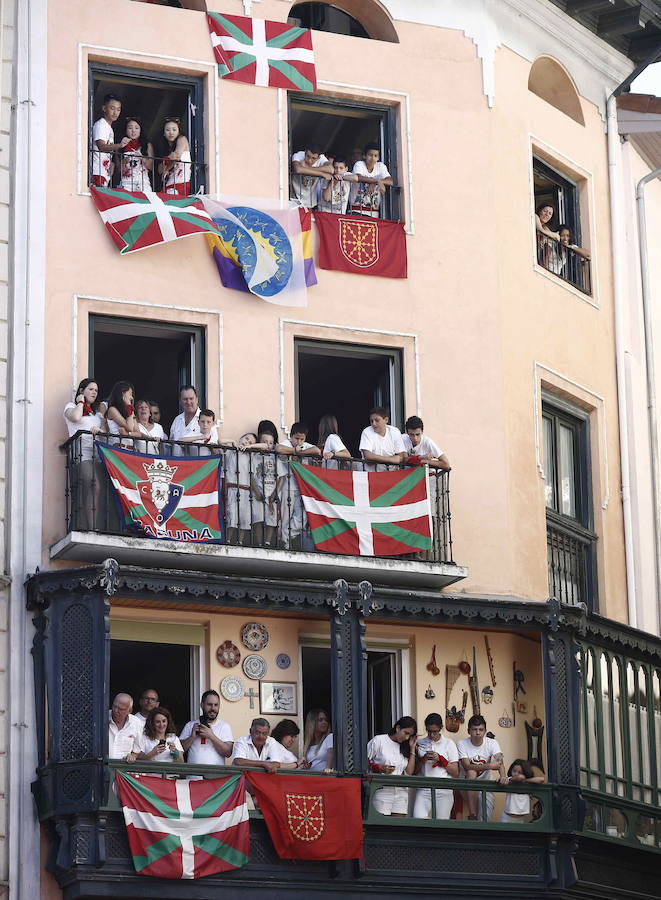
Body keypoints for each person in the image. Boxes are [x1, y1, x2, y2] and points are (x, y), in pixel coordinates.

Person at [63, 378, 107, 530]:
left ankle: (96, 525)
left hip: (98, 455)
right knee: (94, 486)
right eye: (90, 389)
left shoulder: (96, 415)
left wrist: (100, 431)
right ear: (82, 391)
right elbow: (75, 417)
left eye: (96, 390)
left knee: (97, 490)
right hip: (82, 454)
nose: (94, 392)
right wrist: (80, 402)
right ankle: (92, 527)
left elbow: (106, 435)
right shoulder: (71, 407)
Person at [276, 423, 321, 548]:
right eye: (296, 438)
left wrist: (301, 452)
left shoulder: (305, 446)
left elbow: (316, 450)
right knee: (286, 515)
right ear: (291, 436)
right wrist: (295, 451)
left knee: (302, 516)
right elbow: (279, 449)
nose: (299, 441)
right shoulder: (286, 444)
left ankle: (287, 535)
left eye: (302, 439)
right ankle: (285, 543)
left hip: (302, 487)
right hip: (287, 485)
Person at [457, 714, 508, 821]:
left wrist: (503, 776)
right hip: (466, 784)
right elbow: (467, 766)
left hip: (485, 784)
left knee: (486, 816)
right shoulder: (462, 743)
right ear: (468, 731)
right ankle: (472, 815)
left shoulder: (492, 743)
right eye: (474, 729)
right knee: (471, 772)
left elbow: (500, 761)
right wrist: (489, 766)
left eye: (481, 729)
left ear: (485, 731)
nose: (478, 732)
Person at [412, 713, 459, 819]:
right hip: (424, 788)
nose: (432, 735)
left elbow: (455, 772)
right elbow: (414, 771)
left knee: (441, 823)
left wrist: (440, 759)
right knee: (418, 818)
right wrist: (423, 760)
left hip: (444, 788)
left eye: (435, 731)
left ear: (441, 728)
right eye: (429, 731)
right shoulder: (420, 743)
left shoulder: (449, 743)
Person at [367, 716, 417, 816]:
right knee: (382, 825)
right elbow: (364, 762)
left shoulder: (405, 746)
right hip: (381, 790)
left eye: (410, 735)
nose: (407, 738)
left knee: (398, 827)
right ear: (398, 728)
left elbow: (409, 772)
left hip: (401, 791)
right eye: (406, 733)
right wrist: (380, 768)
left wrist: (412, 749)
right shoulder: (379, 740)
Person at [180, 690, 233, 765]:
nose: (213, 708)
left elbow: (228, 753)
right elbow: (179, 750)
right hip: (193, 775)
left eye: (216, 705)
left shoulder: (224, 726)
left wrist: (211, 736)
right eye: (209, 704)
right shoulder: (190, 725)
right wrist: (192, 737)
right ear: (202, 705)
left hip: (216, 775)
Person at [226, 432, 258, 546]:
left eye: (250, 442)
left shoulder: (250, 455)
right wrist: (233, 442)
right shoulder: (231, 451)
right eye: (246, 439)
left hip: (245, 489)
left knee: (244, 517)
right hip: (233, 488)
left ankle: (240, 541)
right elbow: (220, 442)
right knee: (232, 516)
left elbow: (264, 446)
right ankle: (228, 540)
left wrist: (249, 447)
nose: (247, 442)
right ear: (241, 437)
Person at [91, 93, 129, 187]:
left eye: (118, 109)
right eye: (112, 108)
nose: (115, 112)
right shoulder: (102, 125)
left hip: (103, 173)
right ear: (104, 108)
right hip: (97, 171)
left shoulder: (108, 127)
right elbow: (101, 146)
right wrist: (120, 145)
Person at [251, 430, 279, 548]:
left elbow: (280, 477)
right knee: (257, 517)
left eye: (271, 442)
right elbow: (251, 475)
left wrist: (275, 493)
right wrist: (256, 491)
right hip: (258, 491)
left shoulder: (275, 458)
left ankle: (267, 541)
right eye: (265, 442)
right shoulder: (254, 457)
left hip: (271, 490)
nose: (268, 445)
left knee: (271, 518)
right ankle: (259, 542)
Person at [350, 142, 393, 218]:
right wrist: (377, 181)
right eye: (370, 155)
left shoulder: (381, 166)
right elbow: (358, 177)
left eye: (375, 156)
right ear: (364, 156)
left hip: (374, 213)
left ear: (378, 157)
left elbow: (390, 181)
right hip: (356, 211)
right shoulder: (359, 164)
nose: (373, 158)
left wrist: (378, 182)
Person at [500, 759, 545, 823]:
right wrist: (524, 779)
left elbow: (541, 780)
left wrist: (526, 781)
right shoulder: (509, 780)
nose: (516, 774)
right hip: (507, 818)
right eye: (514, 771)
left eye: (519, 772)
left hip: (520, 820)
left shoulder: (527, 783)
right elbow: (520, 777)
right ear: (511, 770)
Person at [290, 144, 334, 209]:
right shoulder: (298, 155)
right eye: (308, 156)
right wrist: (321, 174)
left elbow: (331, 169)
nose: (310, 160)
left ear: (319, 158)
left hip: (310, 203)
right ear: (305, 153)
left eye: (313, 158)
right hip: (295, 200)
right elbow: (298, 169)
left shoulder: (322, 158)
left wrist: (305, 168)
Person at [117, 116, 153, 192]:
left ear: (140, 130)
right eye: (130, 128)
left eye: (136, 128)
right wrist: (123, 162)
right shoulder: (120, 146)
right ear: (126, 130)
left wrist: (141, 158)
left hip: (143, 182)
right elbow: (117, 170)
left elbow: (151, 167)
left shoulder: (147, 145)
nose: (133, 131)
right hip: (126, 183)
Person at [157, 117, 191, 196]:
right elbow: (159, 170)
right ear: (164, 133)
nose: (171, 132)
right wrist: (167, 161)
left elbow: (177, 156)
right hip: (170, 185)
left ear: (179, 131)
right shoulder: (165, 148)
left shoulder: (182, 139)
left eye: (174, 130)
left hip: (182, 183)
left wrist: (166, 166)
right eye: (168, 130)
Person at [108, 693, 142, 760]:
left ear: (129, 711)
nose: (115, 711)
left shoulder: (136, 722)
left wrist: (133, 756)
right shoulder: (103, 717)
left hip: (123, 767)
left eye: (121, 709)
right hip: (102, 766)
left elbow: (137, 750)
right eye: (114, 706)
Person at [169, 385, 201, 455]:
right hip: (177, 464)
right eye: (185, 399)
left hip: (199, 465)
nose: (188, 402)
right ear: (180, 402)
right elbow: (171, 445)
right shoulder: (177, 420)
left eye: (191, 398)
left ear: (197, 400)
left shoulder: (206, 420)